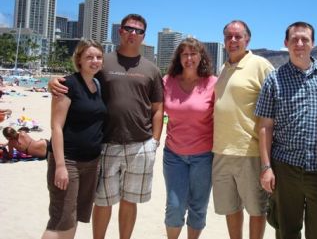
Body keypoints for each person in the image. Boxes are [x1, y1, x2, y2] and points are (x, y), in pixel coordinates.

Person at [48, 14, 164, 239]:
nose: (133, 33)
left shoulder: (152, 69)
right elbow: (78, 79)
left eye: (138, 31)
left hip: (140, 145)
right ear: (120, 31)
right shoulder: (103, 61)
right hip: (106, 143)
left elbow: (158, 108)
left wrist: (155, 141)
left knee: (130, 201)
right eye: (129, 28)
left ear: (143, 36)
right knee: (103, 200)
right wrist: (54, 80)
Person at [256, 21, 317, 239]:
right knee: (286, 230)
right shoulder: (274, 79)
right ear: (286, 43)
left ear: (313, 43)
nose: (299, 44)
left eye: (304, 39)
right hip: (286, 169)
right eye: (294, 39)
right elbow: (265, 128)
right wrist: (266, 167)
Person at [212, 20, 274, 239]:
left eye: (238, 36)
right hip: (221, 150)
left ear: (248, 39)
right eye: (228, 36)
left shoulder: (261, 65)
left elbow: (278, 104)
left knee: (256, 209)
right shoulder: (223, 68)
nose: (233, 40)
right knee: (231, 207)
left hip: (251, 151)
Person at [42, 39, 106, 239]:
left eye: (98, 57)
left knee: (74, 215)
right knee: (61, 218)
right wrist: (60, 165)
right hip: (68, 161)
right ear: (79, 60)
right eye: (89, 57)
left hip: (91, 162)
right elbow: (57, 127)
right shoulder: (68, 84)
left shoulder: (97, 84)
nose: (94, 61)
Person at [163, 37, 217, 239]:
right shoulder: (167, 81)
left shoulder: (213, 83)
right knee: (175, 206)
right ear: (179, 58)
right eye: (184, 54)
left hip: (204, 156)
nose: (189, 58)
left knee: (198, 206)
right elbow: (150, 107)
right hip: (174, 155)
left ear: (201, 56)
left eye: (193, 53)